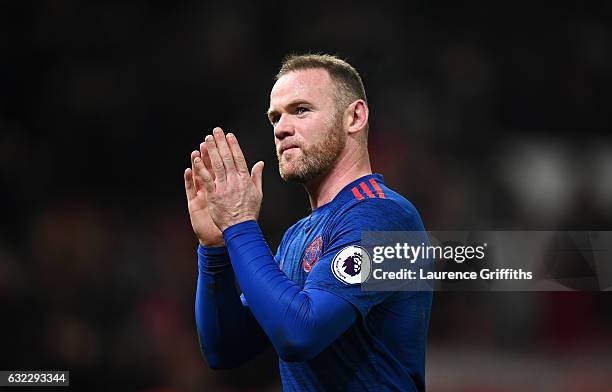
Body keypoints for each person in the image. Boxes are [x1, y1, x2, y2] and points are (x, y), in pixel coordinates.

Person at [184, 54, 432, 391]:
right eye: (275, 117)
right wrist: (215, 250)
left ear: (354, 117)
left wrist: (240, 223)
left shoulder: (386, 218)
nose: (282, 128)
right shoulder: (297, 236)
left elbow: (300, 334)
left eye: (301, 110)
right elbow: (224, 349)